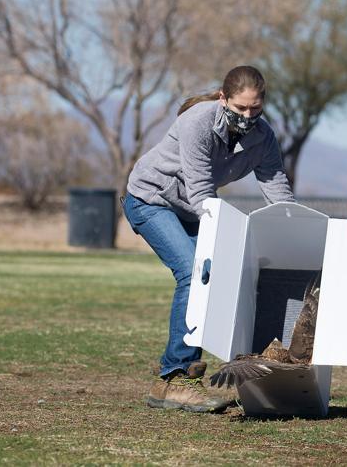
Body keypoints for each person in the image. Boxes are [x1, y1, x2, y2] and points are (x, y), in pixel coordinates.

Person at [123, 65, 294, 413]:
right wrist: (227, 234)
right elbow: (200, 190)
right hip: (151, 199)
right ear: (223, 98)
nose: (248, 116)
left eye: (255, 109)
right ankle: (175, 379)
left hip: (190, 208)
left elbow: (277, 188)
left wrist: (296, 228)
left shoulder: (263, 137)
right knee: (194, 272)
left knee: (221, 274)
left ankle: (187, 366)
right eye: (240, 108)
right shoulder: (198, 122)